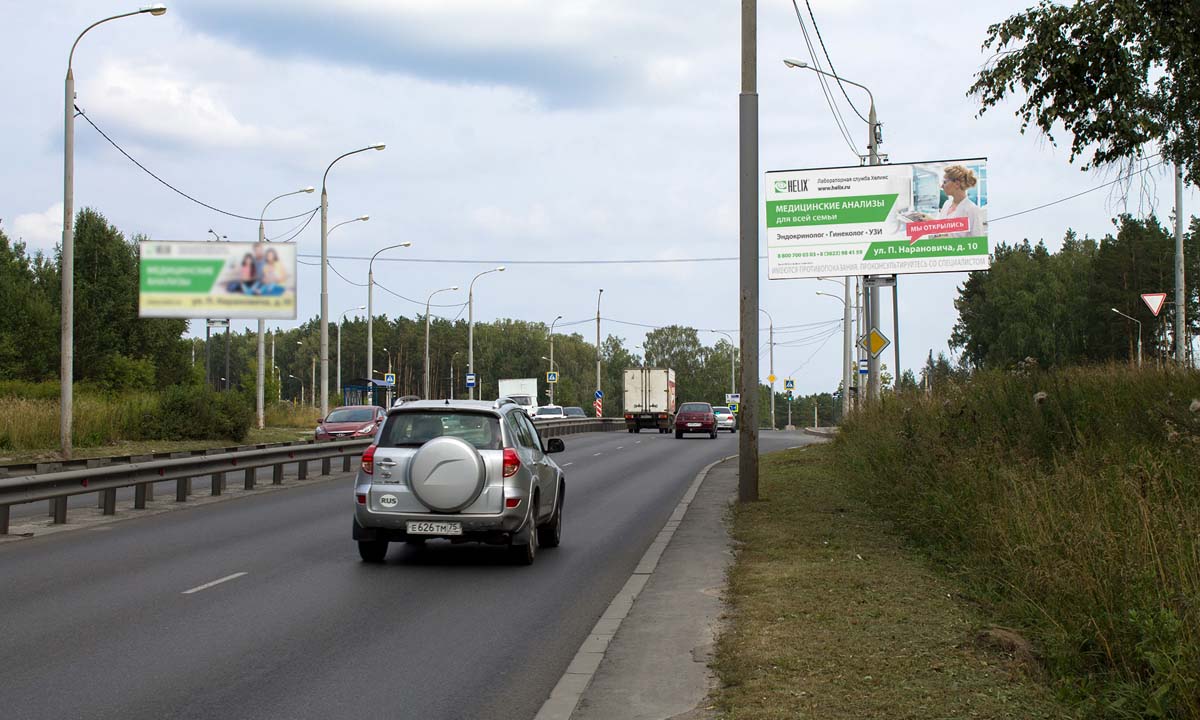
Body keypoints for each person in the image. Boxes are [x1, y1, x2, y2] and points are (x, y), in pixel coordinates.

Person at [929, 165, 984, 238]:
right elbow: (942, 228)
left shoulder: (972, 210)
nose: (942, 186)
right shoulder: (947, 204)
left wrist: (948, 240)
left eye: (945, 182)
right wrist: (928, 220)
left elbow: (978, 242)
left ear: (957, 184)